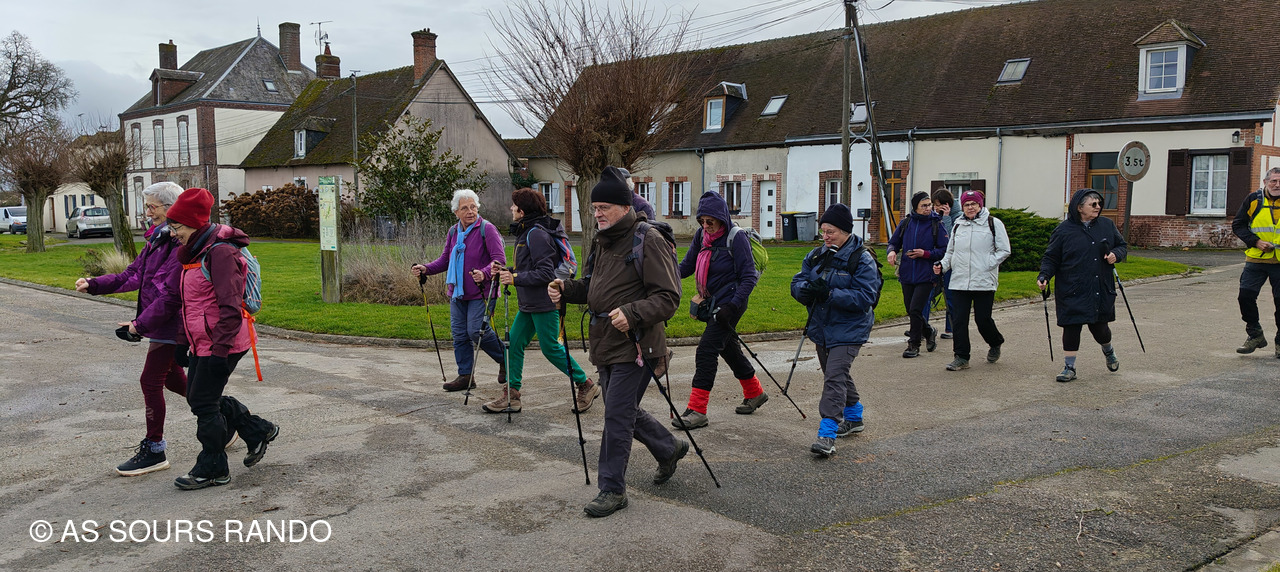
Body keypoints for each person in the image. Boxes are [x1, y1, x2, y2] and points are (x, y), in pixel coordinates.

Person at [548, 166, 687, 518]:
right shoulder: (602, 241)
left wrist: (632, 312)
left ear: (625, 207)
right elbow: (593, 288)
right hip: (606, 343)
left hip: (637, 345)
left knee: (617, 418)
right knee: (621, 410)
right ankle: (668, 447)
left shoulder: (648, 239)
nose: (597, 214)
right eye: (595, 208)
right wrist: (566, 289)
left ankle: (612, 489)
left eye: (604, 208)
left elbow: (669, 297)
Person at [165, 188, 278, 490]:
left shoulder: (220, 253)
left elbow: (229, 307)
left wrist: (219, 351)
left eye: (176, 226)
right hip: (204, 341)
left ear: (193, 224)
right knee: (200, 397)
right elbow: (191, 304)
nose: (172, 233)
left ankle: (213, 467)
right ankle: (256, 429)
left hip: (224, 341)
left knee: (203, 402)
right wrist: (182, 341)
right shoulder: (195, 252)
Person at [76, 181, 191, 476]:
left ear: (171, 208)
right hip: (159, 321)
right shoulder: (157, 238)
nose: (147, 212)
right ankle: (229, 418)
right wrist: (94, 284)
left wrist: (138, 325)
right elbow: (134, 274)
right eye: (147, 206)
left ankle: (155, 449)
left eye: (152, 207)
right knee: (173, 380)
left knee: (150, 380)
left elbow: (170, 296)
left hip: (173, 322)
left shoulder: (180, 243)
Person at [485, 188, 600, 414]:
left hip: (545, 302)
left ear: (522, 210)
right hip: (529, 304)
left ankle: (585, 384)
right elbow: (528, 268)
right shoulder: (526, 231)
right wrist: (507, 271)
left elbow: (546, 273)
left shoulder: (536, 234)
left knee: (550, 349)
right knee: (513, 344)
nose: (511, 208)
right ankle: (512, 395)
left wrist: (515, 278)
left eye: (514, 205)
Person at [790, 203, 882, 457]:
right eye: (823, 231)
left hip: (850, 328)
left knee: (834, 376)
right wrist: (804, 291)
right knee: (836, 374)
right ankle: (854, 416)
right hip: (822, 327)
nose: (825, 236)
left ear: (845, 231)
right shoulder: (817, 255)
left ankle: (827, 434)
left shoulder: (862, 259)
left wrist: (829, 294)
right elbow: (798, 280)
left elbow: (866, 297)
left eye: (830, 231)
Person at [670, 190, 764, 430]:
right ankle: (755, 392)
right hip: (713, 302)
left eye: (710, 221)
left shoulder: (736, 237)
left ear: (721, 217)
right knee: (728, 348)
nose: (705, 226)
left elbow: (748, 277)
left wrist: (732, 306)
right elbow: (687, 266)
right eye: (702, 221)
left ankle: (697, 410)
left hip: (732, 303)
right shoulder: (701, 236)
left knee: (706, 350)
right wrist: (664, 274)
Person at [412, 189, 507, 391]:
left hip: (481, 291)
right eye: (465, 208)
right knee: (459, 334)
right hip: (458, 292)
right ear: (456, 212)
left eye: (473, 207)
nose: (470, 211)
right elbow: (445, 260)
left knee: (476, 331)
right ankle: (465, 376)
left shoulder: (487, 229)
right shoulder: (453, 232)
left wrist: (484, 273)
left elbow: (499, 260)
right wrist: (425, 268)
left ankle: (506, 359)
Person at [1036, 188, 1127, 382]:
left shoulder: (1107, 225)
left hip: (1099, 286)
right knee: (1071, 326)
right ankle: (1069, 367)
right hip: (1072, 287)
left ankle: (1108, 350)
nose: (1097, 207)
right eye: (1093, 204)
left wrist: (1115, 255)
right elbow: (1051, 257)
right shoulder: (1063, 230)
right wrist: (1044, 275)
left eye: (1099, 203)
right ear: (1079, 207)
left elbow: (1122, 246)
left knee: (1100, 328)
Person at [934, 190, 1010, 371]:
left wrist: (988, 263)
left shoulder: (993, 223)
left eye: (973, 204)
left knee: (982, 319)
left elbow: (1004, 250)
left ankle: (995, 342)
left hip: (983, 280)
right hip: (959, 280)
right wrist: (942, 265)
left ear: (980, 205)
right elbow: (951, 252)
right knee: (959, 320)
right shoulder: (958, 225)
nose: (970, 207)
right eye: (966, 204)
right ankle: (961, 357)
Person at [887, 191, 947, 358]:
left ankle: (914, 344)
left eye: (929, 205)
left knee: (915, 309)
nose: (928, 208)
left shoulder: (937, 224)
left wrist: (925, 254)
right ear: (915, 207)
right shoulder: (906, 223)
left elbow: (944, 250)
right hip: (907, 273)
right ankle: (928, 331)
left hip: (926, 274)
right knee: (911, 310)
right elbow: (893, 242)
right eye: (924, 205)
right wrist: (891, 252)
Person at [1231, 167, 1280, 358]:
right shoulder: (1253, 200)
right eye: (1274, 181)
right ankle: (1255, 334)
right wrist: (1256, 242)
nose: (1277, 185)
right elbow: (1238, 225)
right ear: (1265, 182)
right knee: (1245, 297)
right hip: (1256, 258)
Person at [926, 187, 961, 339]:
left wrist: (945, 218)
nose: (938, 207)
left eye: (940, 204)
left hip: (950, 263)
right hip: (934, 260)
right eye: (935, 204)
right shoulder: (931, 217)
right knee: (926, 294)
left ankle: (950, 328)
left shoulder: (959, 218)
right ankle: (923, 328)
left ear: (948, 204)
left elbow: (949, 240)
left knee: (950, 295)